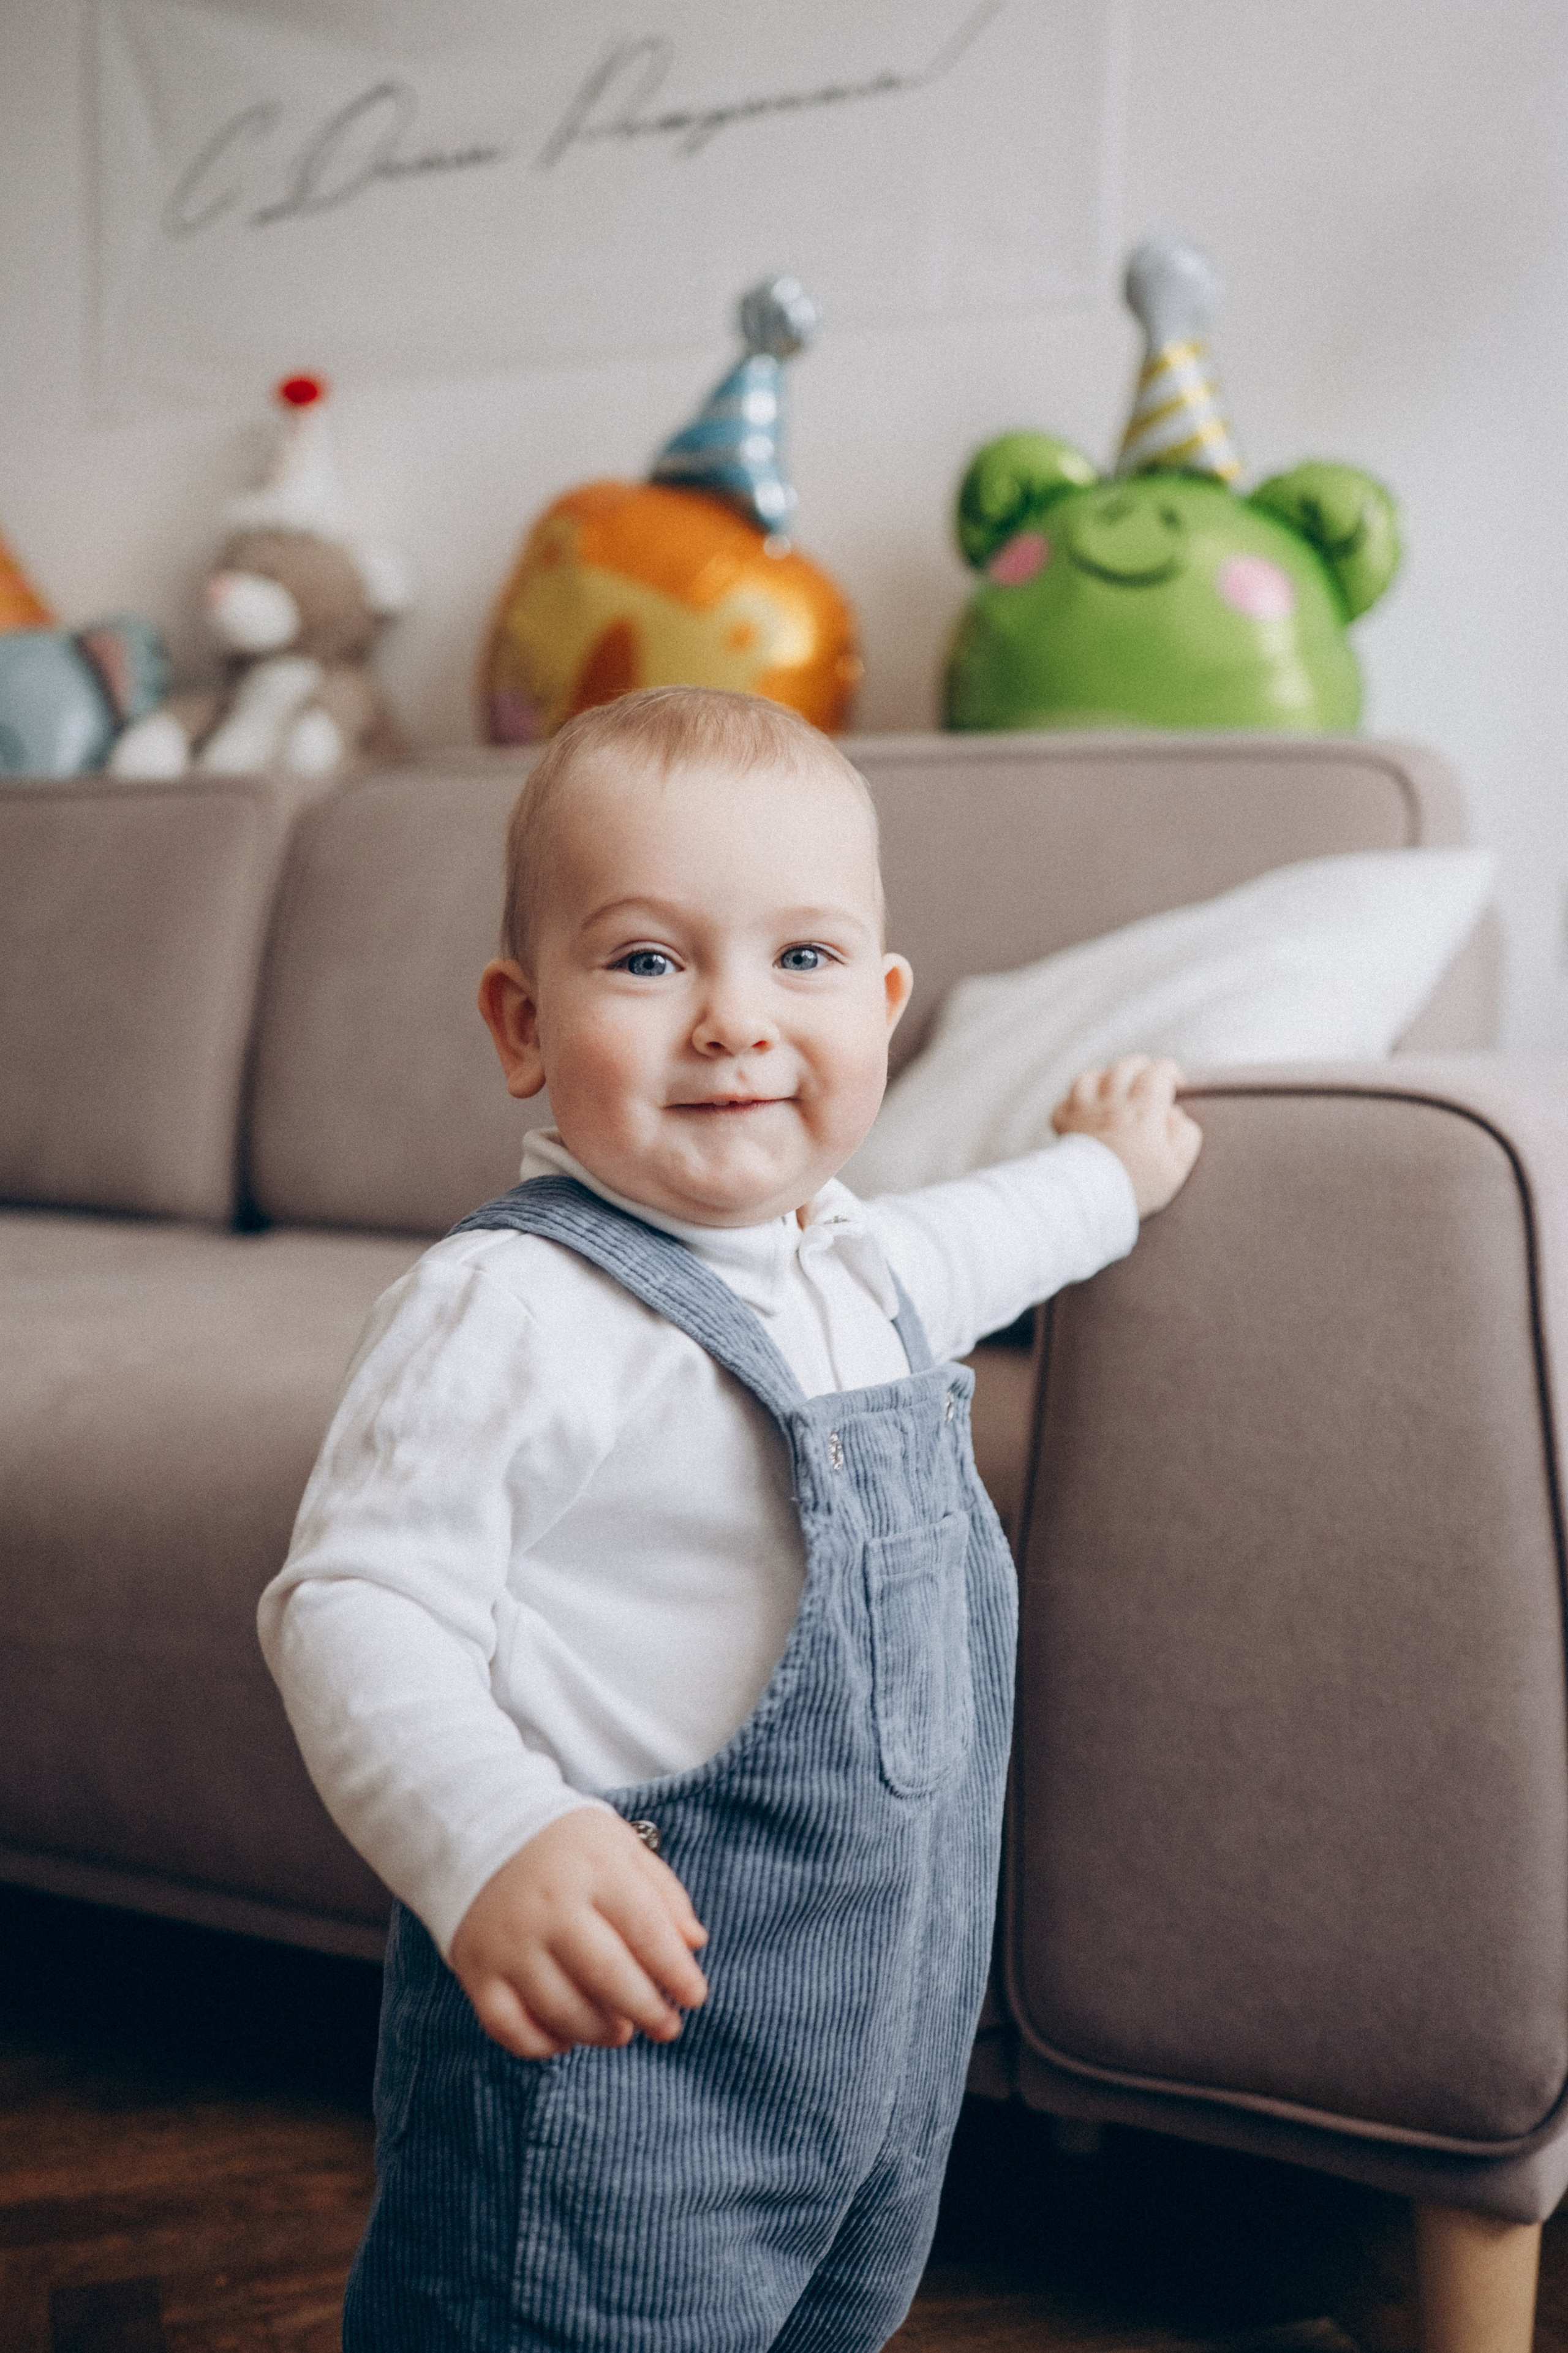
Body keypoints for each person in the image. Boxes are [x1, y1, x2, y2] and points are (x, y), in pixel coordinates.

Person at [258, 684, 1202, 2351]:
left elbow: (1001, 1230)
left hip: (871, 2074)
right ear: (520, 1022)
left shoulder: (866, 1261)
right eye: (647, 959)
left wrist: (1112, 1169)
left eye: (806, 960)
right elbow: (351, 1606)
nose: (733, 1019)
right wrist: (487, 1831)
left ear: (888, 1009)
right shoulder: (513, 1307)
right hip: (615, 2097)